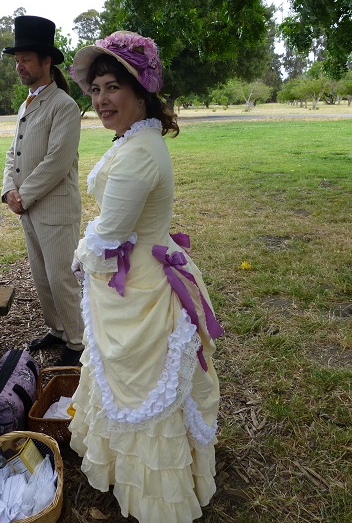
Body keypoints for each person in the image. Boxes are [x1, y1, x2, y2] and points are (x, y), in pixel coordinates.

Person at [68, 31, 223, 522]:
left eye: (112, 87)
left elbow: (109, 234)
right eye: (95, 90)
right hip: (140, 274)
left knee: (145, 387)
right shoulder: (136, 139)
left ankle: (159, 490)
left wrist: (81, 257)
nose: (101, 100)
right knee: (136, 385)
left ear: (140, 90)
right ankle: (128, 467)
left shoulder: (137, 153)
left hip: (142, 288)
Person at [1, 15, 83, 366]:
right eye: (17, 60)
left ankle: (78, 342)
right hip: (29, 207)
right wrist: (8, 190)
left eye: (26, 60)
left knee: (60, 276)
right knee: (40, 274)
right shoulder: (26, 104)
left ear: (46, 62)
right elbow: (13, 152)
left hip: (55, 207)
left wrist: (24, 195)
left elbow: (56, 162)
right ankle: (57, 330)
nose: (19, 66)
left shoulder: (64, 106)